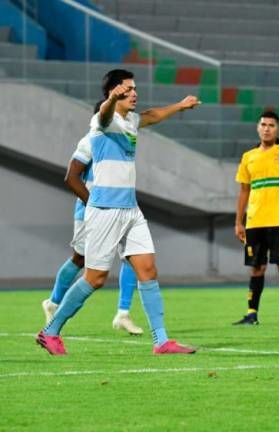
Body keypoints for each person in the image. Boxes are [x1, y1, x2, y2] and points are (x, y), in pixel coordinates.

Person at [36, 69, 199, 355]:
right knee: (95, 278)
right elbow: (103, 115)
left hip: (130, 210)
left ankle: (161, 341)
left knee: (147, 270)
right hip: (105, 211)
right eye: (128, 89)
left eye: (135, 88)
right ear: (114, 91)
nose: (134, 93)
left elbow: (152, 115)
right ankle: (50, 332)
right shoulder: (102, 122)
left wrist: (180, 105)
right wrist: (111, 100)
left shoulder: (131, 121)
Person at [42, 103, 142, 335]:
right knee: (81, 258)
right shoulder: (90, 140)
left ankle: (123, 313)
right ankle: (53, 303)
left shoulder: (122, 140)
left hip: (120, 208)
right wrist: (94, 205)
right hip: (90, 211)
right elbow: (72, 176)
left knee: (132, 255)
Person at [232, 111, 279, 325]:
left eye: (271, 125)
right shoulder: (248, 156)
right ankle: (251, 314)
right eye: (263, 124)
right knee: (257, 268)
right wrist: (239, 221)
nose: (266, 129)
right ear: (258, 128)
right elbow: (244, 191)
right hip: (254, 221)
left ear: (278, 129)